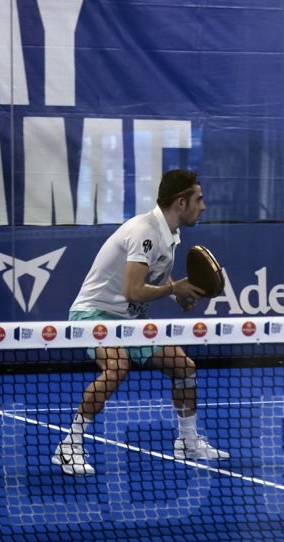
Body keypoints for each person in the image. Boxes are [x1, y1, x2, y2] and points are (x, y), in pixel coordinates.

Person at [54, 169, 231, 476]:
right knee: (117, 366)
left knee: (184, 367)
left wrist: (183, 296)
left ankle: (188, 441)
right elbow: (133, 290)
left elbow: (160, 281)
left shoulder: (170, 235)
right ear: (181, 202)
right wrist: (174, 289)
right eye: (198, 199)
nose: (202, 206)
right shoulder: (144, 231)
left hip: (130, 319)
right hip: (92, 314)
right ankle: (70, 444)